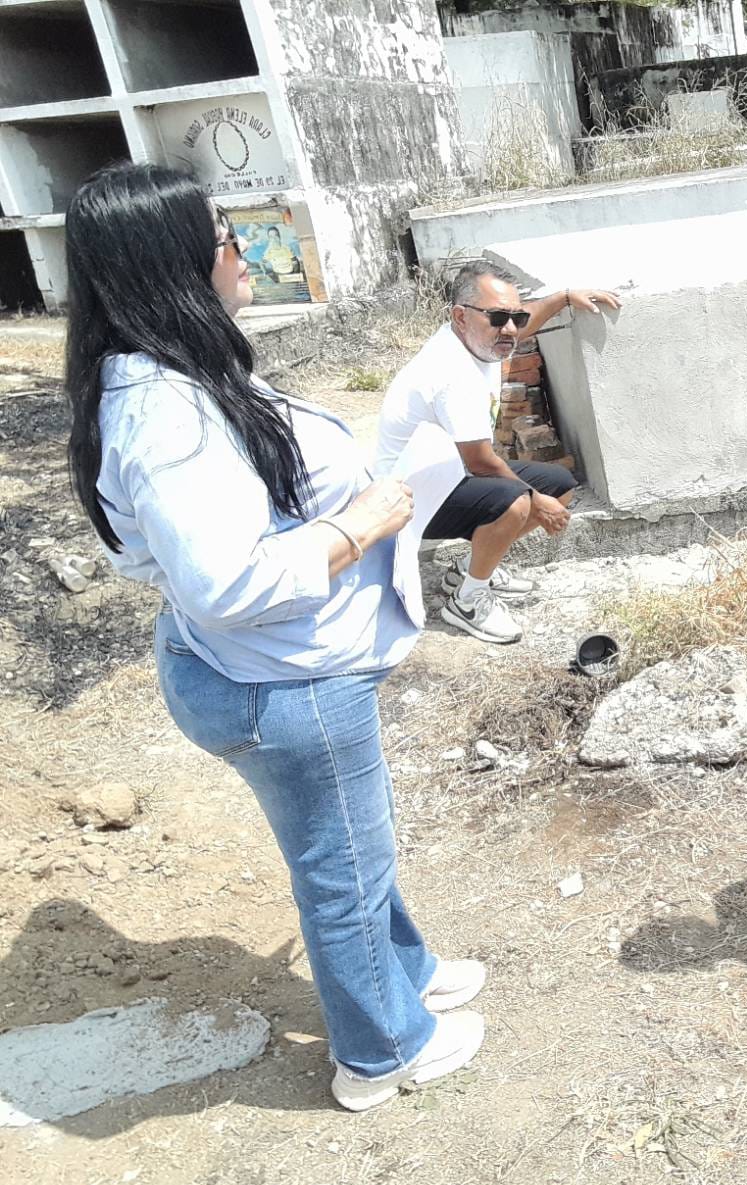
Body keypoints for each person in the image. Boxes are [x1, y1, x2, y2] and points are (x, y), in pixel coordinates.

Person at [65, 162, 485, 1112]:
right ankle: (380, 1054)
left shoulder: (172, 370)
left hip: (277, 669)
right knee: (342, 872)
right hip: (285, 687)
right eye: (226, 236)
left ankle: (406, 974)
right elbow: (224, 580)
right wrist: (361, 524)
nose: (247, 249)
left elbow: (178, 551)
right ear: (173, 263)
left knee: (354, 848)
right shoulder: (165, 413)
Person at [373, 264, 621, 644]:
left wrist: (564, 297)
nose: (510, 329)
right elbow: (481, 462)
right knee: (518, 501)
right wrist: (535, 501)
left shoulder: (479, 339)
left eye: (514, 318)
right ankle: (468, 601)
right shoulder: (452, 372)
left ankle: (470, 568)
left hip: (448, 475)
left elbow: (524, 320)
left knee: (560, 485)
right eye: (498, 318)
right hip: (407, 499)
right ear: (460, 316)